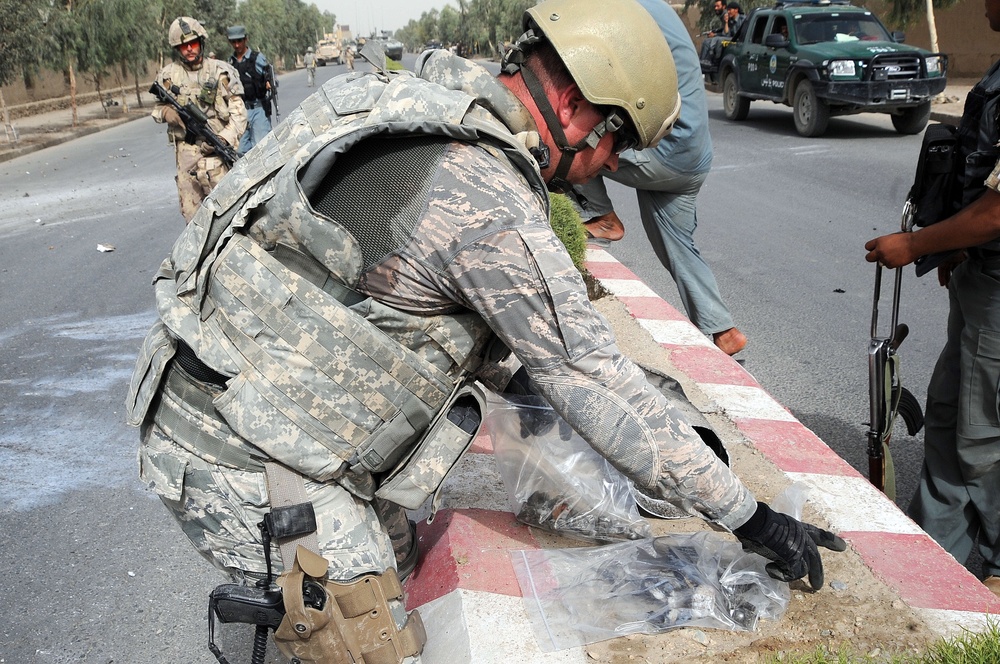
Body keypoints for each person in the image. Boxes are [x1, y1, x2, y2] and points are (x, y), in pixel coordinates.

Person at [128, 0, 844, 660]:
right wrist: (751, 519)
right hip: (247, 449)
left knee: (401, 571)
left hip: (254, 395)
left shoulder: (409, 100)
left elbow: (399, 293)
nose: (612, 168)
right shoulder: (486, 199)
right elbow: (599, 382)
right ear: (572, 104)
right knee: (363, 638)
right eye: (614, 144)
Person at [864, 0, 1000, 598]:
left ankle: (991, 569)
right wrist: (952, 250)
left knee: (982, 437)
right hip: (980, 275)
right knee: (949, 415)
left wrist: (917, 243)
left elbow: (999, 210)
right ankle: (933, 556)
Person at [574, 0, 747, 356]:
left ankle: (600, 216)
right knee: (677, 246)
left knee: (568, 144)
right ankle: (722, 329)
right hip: (691, 154)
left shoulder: (621, 14)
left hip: (668, 149)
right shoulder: (653, 9)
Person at [152, 17, 246, 223]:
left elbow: (239, 114)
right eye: (183, 46)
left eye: (193, 44)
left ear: (201, 42)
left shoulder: (221, 71)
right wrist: (167, 113)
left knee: (228, 213)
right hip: (186, 154)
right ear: (177, 49)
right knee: (192, 216)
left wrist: (224, 139)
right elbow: (157, 108)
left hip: (216, 152)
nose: (189, 50)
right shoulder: (168, 76)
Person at [227, 25, 272, 155]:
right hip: (240, 111)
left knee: (262, 148)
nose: (236, 45)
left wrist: (268, 83)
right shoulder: (230, 63)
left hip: (259, 109)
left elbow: (268, 76)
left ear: (245, 40)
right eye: (233, 42)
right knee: (240, 151)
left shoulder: (257, 58)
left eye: (239, 41)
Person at [698, 0, 727, 66]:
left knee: (707, 42)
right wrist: (715, 31)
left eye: (718, 6)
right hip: (725, 36)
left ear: (724, 6)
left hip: (728, 37)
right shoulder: (722, 15)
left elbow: (726, 33)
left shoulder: (725, 15)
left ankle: (706, 61)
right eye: (715, 6)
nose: (716, 8)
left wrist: (715, 35)